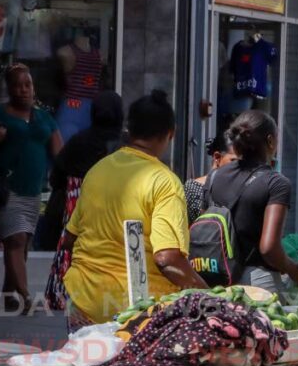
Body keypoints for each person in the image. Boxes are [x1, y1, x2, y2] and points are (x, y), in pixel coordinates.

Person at [62, 90, 206, 327]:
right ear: (171, 134)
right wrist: (210, 296)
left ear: (128, 130)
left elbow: (69, 239)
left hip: (82, 301)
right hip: (136, 312)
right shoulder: (164, 182)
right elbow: (167, 258)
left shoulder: (97, 171)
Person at [0, 64, 63, 312]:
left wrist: (63, 175)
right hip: (5, 189)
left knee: (20, 244)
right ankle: (26, 297)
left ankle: (8, 295)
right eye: (17, 85)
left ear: (33, 87)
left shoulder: (43, 117)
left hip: (32, 191)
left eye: (27, 84)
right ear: (9, 89)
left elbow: (58, 150)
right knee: (17, 239)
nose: (23, 90)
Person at [207, 110, 298, 293]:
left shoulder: (214, 177)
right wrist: (295, 270)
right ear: (270, 141)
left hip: (216, 280)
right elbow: (269, 249)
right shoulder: (276, 183)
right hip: (255, 283)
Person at [43, 91, 124, 311]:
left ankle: (64, 293)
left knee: (74, 248)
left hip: (77, 204)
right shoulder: (124, 144)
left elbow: (57, 174)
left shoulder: (79, 140)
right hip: (115, 205)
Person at [186, 133, 237, 223]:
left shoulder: (241, 187)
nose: (239, 166)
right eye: (234, 160)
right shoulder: (193, 188)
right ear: (217, 157)